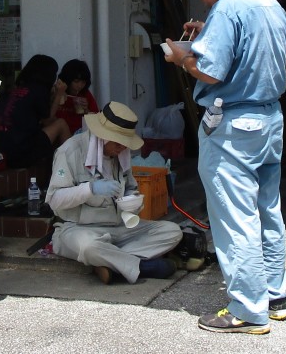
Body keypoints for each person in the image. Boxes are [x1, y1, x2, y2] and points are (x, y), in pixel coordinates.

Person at [162, 0, 286, 335]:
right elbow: (249, 51)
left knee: (236, 217)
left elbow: (211, 71)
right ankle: (274, 296)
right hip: (269, 118)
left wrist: (181, 56)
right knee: (267, 210)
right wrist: (207, 35)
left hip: (233, 123)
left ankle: (248, 310)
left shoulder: (228, 8)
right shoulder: (269, 3)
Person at [46, 102, 183, 284]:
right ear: (103, 136)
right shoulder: (70, 151)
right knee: (89, 248)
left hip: (119, 227)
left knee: (172, 231)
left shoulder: (120, 154)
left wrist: (133, 200)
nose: (122, 148)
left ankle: (111, 263)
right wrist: (91, 189)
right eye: (118, 143)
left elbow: (131, 188)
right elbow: (54, 200)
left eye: (125, 143)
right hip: (79, 228)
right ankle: (140, 266)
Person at [0, 54, 70, 178]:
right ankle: (72, 169)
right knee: (61, 124)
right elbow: (48, 119)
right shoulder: (39, 90)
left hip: (2, 153)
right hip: (21, 154)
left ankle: (58, 171)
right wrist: (59, 93)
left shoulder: (17, 89)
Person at [50, 59, 98, 135]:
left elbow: (97, 120)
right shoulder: (56, 91)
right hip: (61, 135)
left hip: (80, 134)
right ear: (68, 79)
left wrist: (86, 110)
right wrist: (58, 95)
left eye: (83, 82)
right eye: (76, 81)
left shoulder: (85, 94)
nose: (80, 86)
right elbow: (48, 119)